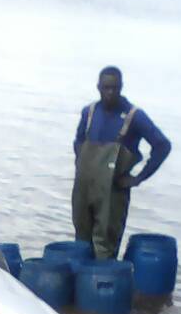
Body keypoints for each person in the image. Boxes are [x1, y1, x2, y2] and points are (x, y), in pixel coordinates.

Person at [72, 66, 171, 259]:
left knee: (105, 247)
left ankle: (103, 284)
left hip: (112, 193)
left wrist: (138, 178)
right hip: (84, 189)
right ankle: (81, 285)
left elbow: (162, 146)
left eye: (115, 88)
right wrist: (80, 162)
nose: (110, 93)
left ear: (121, 87)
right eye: (106, 87)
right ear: (98, 87)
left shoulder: (134, 116)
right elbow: (78, 140)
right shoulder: (89, 112)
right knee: (81, 244)